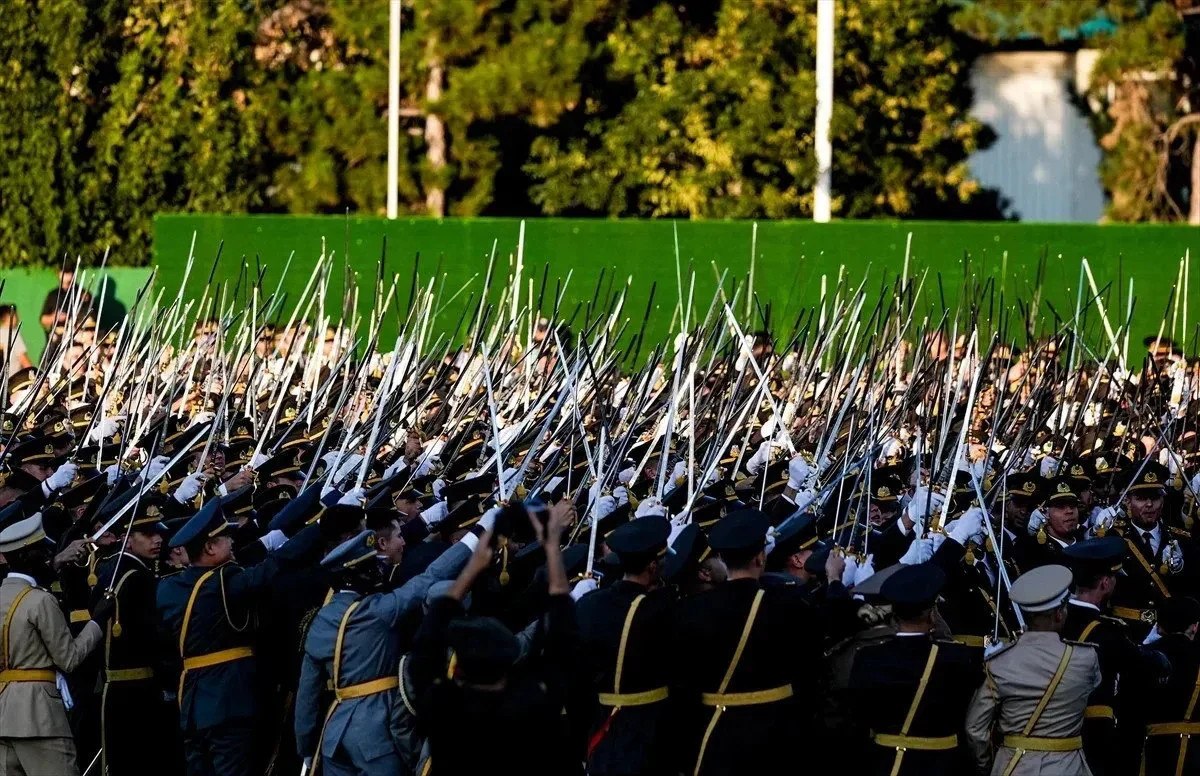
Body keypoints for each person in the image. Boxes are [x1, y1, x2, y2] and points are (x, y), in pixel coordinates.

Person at [293, 505, 484, 775]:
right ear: (363, 572)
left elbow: (307, 696)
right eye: (373, 566)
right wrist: (479, 533)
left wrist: (307, 748)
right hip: (377, 734)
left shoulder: (320, 621)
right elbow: (432, 576)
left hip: (334, 733)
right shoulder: (379, 610)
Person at [407, 499, 577, 776]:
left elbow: (427, 642)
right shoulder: (531, 706)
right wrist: (552, 545)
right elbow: (562, 646)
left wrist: (473, 566)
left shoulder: (441, 707)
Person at [156, 492, 319, 776]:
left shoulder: (169, 588)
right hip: (229, 700)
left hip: (193, 702)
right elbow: (273, 567)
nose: (233, 542)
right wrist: (324, 526)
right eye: (225, 538)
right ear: (209, 547)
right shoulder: (222, 584)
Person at [673, 509, 823, 775]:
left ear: (721, 558)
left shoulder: (691, 611)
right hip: (777, 735)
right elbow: (810, 673)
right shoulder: (789, 605)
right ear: (760, 557)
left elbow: (684, 684)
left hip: (715, 736)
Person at [0, 510, 111, 775]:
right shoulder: (40, 600)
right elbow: (69, 658)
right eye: (42, 552)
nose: (48, 558)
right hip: (39, 717)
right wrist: (97, 622)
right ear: (29, 556)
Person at [964, 564, 1101, 775]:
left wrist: (988, 765)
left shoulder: (999, 662)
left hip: (1014, 766)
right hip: (1067, 767)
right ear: (1059, 613)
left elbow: (975, 729)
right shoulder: (1085, 657)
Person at [848, 562, 982, 775]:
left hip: (886, 763)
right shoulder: (957, 659)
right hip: (942, 765)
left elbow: (857, 716)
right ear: (932, 614)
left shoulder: (868, 657)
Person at [574, 515, 675, 776]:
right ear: (653, 567)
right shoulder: (660, 610)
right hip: (650, 728)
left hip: (600, 724)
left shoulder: (589, 604)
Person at [91, 499, 174, 776]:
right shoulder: (138, 577)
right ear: (127, 539)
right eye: (148, 534)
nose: (158, 539)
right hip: (140, 689)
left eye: (158, 533)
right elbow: (153, 636)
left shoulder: (109, 569)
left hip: (113, 688)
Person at [1060, 537, 1152, 776]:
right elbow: (1146, 668)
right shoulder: (1108, 632)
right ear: (1104, 583)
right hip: (1094, 738)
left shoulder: (1054, 621)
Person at [1136, 596, 1200, 775]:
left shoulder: (1140, 656)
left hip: (1150, 754)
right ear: (1195, 627)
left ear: (1160, 626)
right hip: (1194, 757)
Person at [0, 305, 32, 378]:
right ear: (7, 316)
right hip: (12, 381)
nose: (17, 318)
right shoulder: (13, 334)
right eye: (15, 315)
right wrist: (35, 376)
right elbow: (23, 359)